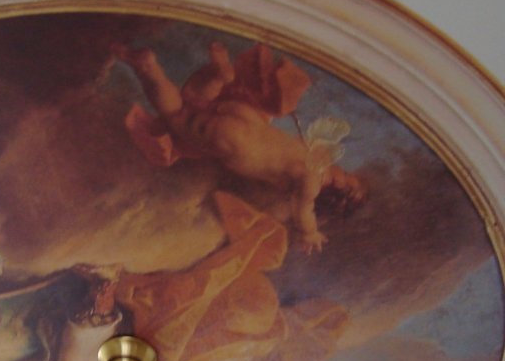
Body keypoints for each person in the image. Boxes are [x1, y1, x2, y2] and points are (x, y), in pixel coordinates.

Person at [113, 41, 364, 253]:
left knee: (196, 102)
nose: (343, 170)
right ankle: (149, 68)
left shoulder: (311, 153)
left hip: (246, 116)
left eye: (346, 177)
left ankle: (218, 76)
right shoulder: (311, 180)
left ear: (337, 188)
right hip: (236, 141)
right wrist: (310, 233)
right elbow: (303, 211)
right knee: (176, 116)